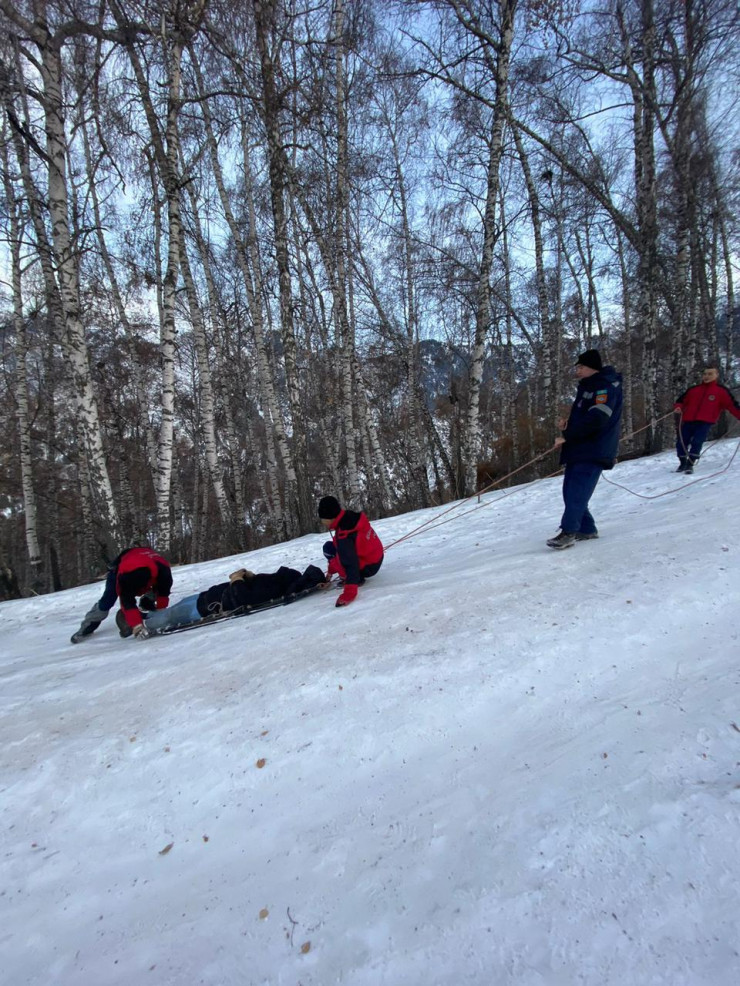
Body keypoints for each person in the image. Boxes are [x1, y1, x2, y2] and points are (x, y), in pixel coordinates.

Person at [547, 348, 623, 550]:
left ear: (592, 367)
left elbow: (597, 418)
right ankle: (587, 529)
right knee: (570, 491)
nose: (577, 370)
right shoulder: (589, 386)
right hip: (579, 447)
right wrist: (567, 426)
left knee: (577, 492)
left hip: (594, 448)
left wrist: (567, 436)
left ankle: (568, 532)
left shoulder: (604, 387)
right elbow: (584, 417)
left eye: (581, 367)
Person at [141, 564, 326, 635]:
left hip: (209, 605)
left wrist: (237, 579)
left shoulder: (275, 588)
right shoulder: (276, 582)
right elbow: (254, 586)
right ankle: (145, 615)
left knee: (170, 616)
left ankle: (140, 623)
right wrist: (248, 576)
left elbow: (244, 598)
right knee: (171, 611)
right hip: (210, 596)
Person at [70, 546, 172, 643]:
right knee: (107, 601)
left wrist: (161, 615)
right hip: (120, 571)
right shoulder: (127, 577)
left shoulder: (164, 573)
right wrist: (137, 626)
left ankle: (144, 606)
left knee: (157, 591)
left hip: (145, 565)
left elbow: (163, 595)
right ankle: (87, 627)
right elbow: (126, 601)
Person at [318, 495, 384, 607]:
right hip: (377, 557)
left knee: (331, 551)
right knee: (331, 547)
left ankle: (357, 579)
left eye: (322, 519)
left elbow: (350, 563)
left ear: (328, 517)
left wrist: (348, 594)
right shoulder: (348, 518)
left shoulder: (344, 534)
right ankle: (355, 575)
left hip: (369, 567)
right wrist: (330, 572)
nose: (322, 522)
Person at [673, 366, 740, 473]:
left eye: (710, 374)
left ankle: (690, 463)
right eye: (705, 374)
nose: (706, 376)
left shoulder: (721, 391)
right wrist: (678, 407)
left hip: (705, 422)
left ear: (716, 375)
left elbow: (733, 406)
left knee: (697, 442)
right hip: (688, 420)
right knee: (681, 442)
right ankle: (682, 463)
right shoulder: (693, 390)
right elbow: (680, 401)